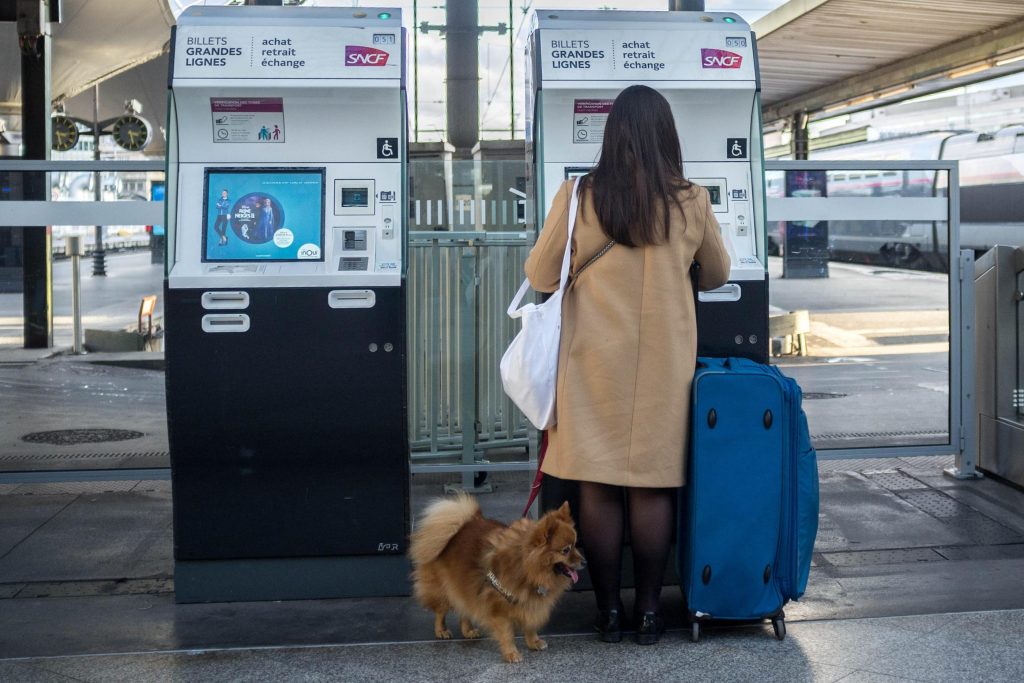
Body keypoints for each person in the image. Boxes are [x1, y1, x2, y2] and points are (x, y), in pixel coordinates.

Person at [523, 85, 730, 645]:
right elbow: (715, 274)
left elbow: (541, 275)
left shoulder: (579, 196)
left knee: (599, 489)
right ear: (667, 136)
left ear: (612, 135)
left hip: (593, 365)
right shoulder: (692, 200)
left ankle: (607, 613)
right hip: (663, 366)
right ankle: (648, 614)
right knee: (652, 489)